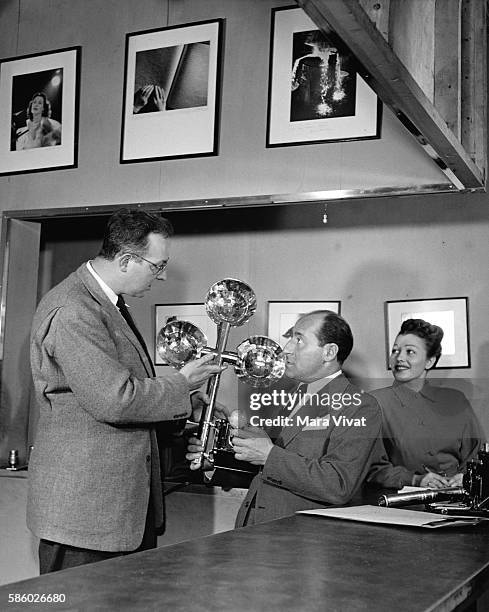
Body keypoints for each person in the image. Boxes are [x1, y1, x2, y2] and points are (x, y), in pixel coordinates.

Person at [27, 209, 224, 573]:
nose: (162, 275)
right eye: (157, 265)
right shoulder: (73, 309)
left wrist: (184, 411)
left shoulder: (104, 305)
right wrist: (183, 384)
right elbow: (114, 400)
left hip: (114, 515)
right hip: (85, 520)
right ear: (126, 260)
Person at [187, 310, 382, 526]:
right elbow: (267, 468)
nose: (286, 349)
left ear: (329, 352)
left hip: (302, 540)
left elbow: (338, 484)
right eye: (290, 338)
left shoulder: (360, 406)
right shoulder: (292, 395)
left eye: (298, 340)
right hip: (256, 528)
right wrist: (216, 454)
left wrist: (267, 454)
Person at [367, 318, 483, 490]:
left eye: (410, 352)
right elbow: (371, 468)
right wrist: (415, 479)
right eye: (395, 351)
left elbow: (478, 454)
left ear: (430, 361)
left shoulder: (456, 400)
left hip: (460, 501)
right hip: (403, 505)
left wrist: (466, 476)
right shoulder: (374, 403)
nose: (399, 358)